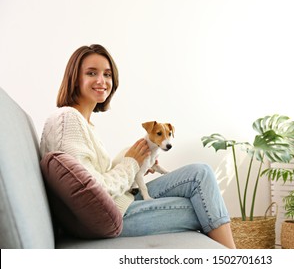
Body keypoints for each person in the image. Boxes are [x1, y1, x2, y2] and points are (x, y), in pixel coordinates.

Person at [40, 44, 236, 248]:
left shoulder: (83, 123)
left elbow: (91, 180)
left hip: (118, 202)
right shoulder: (68, 120)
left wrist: (138, 164)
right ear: (75, 78)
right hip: (110, 217)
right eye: (91, 73)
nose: (102, 81)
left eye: (107, 74)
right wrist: (131, 163)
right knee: (201, 205)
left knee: (200, 173)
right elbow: (93, 193)